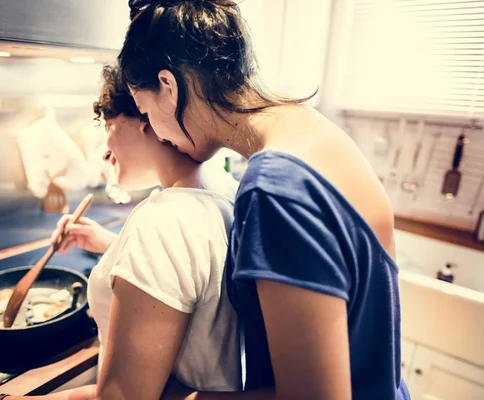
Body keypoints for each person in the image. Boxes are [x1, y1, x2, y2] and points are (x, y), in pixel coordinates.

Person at [117, 1, 411, 399]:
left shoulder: (274, 187)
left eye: (144, 110)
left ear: (168, 88)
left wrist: (176, 396)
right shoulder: (312, 131)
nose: (155, 131)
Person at [0, 65, 241, 400]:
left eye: (108, 126)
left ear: (145, 115)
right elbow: (196, 281)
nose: (105, 151)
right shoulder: (227, 191)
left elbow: (120, 397)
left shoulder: (162, 221)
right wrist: (114, 246)